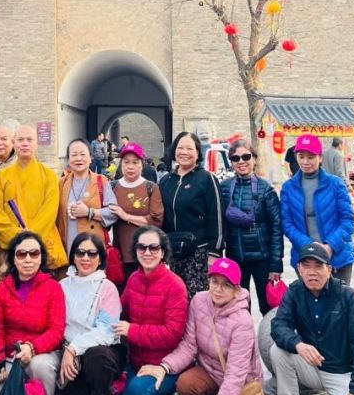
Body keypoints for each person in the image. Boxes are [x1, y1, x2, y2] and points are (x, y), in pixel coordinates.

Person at [138, 258, 263, 395]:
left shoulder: (242, 322)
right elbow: (189, 345)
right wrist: (164, 367)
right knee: (185, 383)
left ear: (237, 290)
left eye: (226, 285)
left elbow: (235, 376)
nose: (218, 289)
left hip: (239, 384)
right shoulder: (199, 301)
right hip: (212, 373)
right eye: (214, 282)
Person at [270, 242, 354, 395]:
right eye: (306, 266)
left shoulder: (348, 296)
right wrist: (298, 344)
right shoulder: (295, 291)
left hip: (340, 370)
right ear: (299, 269)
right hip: (310, 365)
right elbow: (279, 326)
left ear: (329, 269)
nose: (312, 272)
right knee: (277, 351)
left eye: (318, 266)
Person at [115, 226, 188, 395]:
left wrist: (132, 331)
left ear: (163, 252)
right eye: (142, 247)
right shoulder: (134, 279)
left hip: (165, 365)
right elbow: (120, 310)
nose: (147, 252)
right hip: (137, 363)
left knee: (140, 391)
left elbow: (172, 334)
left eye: (154, 248)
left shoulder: (175, 285)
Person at [0, 231, 66, 395]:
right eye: (21, 254)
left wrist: (32, 348)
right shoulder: (1, 289)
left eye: (34, 253)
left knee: (38, 366)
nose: (28, 259)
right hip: (10, 355)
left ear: (41, 257)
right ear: (13, 259)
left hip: (43, 352)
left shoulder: (53, 288)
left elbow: (56, 331)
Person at [56, 233, 124, 395]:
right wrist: (67, 350)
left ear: (100, 258)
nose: (85, 258)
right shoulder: (62, 286)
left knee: (97, 356)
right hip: (69, 347)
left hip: (101, 349)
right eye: (80, 253)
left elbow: (106, 331)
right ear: (73, 257)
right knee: (62, 385)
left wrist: (73, 349)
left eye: (92, 253)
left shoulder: (107, 288)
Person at [280, 134, 354, 285]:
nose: (305, 162)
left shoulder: (336, 184)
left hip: (338, 257)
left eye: (310, 157)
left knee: (339, 299)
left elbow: (348, 220)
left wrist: (330, 246)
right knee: (310, 300)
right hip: (305, 258)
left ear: (320, 157)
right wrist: (309, 246)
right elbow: (287, 224)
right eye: (301, 156)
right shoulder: (288, 188)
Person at [0, 124, 68, 275]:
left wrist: (29, 240)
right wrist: (17, 238)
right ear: (14, 143)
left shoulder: (49, 176)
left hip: (41, 247)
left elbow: (49, 213)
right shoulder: (2, 176)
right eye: (20, 140)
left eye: (29, 140)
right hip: (11, 249)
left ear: (36, 144)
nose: (25, 143)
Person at [221, 139, 283, 315]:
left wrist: (276, 264)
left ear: (254, 159)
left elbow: (276, 227)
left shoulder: (266, 189)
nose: (241, 161)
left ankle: (269, 333)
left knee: (267, 305)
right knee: (238, 306)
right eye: (236, 158)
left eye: (246, 157)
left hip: (262, 257)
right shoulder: (224, 188)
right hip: (235, 256)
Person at [160, 131, 224, 297]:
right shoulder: (166, 181)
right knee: (176, 300)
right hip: (173, 253)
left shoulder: (206, 179)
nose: (184, 152)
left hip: (199, 254)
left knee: (198, 301)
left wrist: (214, 252)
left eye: (190, 148)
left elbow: (217, 216)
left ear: (197, 153)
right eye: (180, 148)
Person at [108, 142, 164, 280]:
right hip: (121, 255)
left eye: (135, 162)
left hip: (147, 254)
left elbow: (156, 221)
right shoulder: (113, 187)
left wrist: (125, 216)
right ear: (121, 164)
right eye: (126, 162)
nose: (130, 166)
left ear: (142, 164)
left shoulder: (151, 188)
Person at [57, 138, 118, 256]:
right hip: (67, 247)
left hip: (93, 250)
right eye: (74, 155)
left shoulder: (101, 181)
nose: (78, 158)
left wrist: (89, 212)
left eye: (83, 154)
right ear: (68, 159)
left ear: (90, 158)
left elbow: (113, 212)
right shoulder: (61, 183)